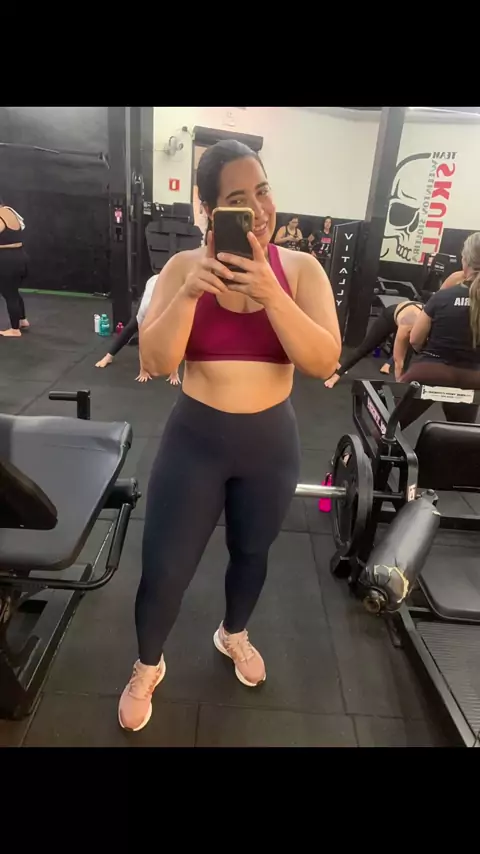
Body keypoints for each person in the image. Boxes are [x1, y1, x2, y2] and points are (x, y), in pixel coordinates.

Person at [118, 139, 341, 732]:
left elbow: (323, 361)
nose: (259, 209)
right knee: (165, 568)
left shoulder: (302, 271)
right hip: (195, 441)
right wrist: (192, 291)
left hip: (270, 446)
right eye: (239, 199)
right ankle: (147, 664)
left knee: (252, 553)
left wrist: (271, 294)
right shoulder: (181, 269)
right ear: (210, 210)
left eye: (262, 190)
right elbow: (157, 362)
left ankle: (232, 634)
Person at [399, 232, 480, 428]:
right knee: (462, 432)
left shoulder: (443, 296)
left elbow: (415, 339)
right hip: (473, 377)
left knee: (390, 426)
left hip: (431, 371)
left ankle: (375, 444)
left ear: (465, 261)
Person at [95, 274, 181, 384]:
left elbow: (176, 342)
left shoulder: (175, 310)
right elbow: (142, 340)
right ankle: (109, 356)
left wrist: (174, 372)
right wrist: (143, 370)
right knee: (131, 327)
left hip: (173, 291)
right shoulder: (145, 308)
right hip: (153, 285)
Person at [325, 298, 423, 388]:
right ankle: (336, 376)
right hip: (390, 317)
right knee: (365, 348)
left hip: (409, 319)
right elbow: (398, 361)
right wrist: (400, 388)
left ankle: (402, 382)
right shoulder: (408, 324)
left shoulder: (427, 323)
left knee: (408, 355)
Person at [0, 200, 29, 338]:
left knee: (9, 294)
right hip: (20, 256)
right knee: (12, 291)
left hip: (7, 260)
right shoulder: (9, 211)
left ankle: (14, 329)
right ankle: (22, 320)